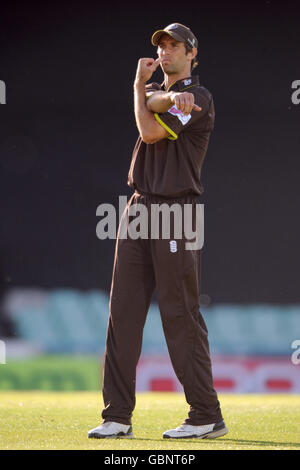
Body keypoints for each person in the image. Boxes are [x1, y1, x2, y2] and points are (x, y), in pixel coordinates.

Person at [88, 23, 228, 440]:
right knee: (123, 314)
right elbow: (151, 105)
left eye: (175, 46)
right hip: (137, 209)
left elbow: (149, 130)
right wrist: (141, 88)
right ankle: (117, 416)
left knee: (179, 315)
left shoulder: (198, 97)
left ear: (192, 55)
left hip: (175, 212)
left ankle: (206, 415)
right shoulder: (156, 95)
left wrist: (147, 94)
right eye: (162, 46)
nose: (166, 52)